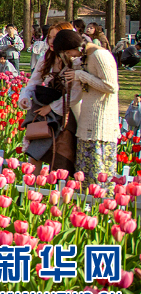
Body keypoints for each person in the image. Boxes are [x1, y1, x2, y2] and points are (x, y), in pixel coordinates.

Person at [61, 29, 119, 191]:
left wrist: (81, 75)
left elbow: (111, 86)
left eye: (68, 51)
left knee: (99, 182)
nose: (70, 55)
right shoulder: (86, 57)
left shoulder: (101, 56)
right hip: (86, 125)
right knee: (84, 183)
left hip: (101, 126)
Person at [17, 22, 75, 172]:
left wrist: (52, 108)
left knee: (59, 154)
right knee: (36, 151)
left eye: (55, 37)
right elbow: (34, 81)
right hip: (44, 111)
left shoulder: (75, 62)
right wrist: (25, 96)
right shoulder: (46, 58)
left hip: (67, 112)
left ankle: (54, 190)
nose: (50, 41)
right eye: (49, 37)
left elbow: (76, 93)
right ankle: (32, 189)